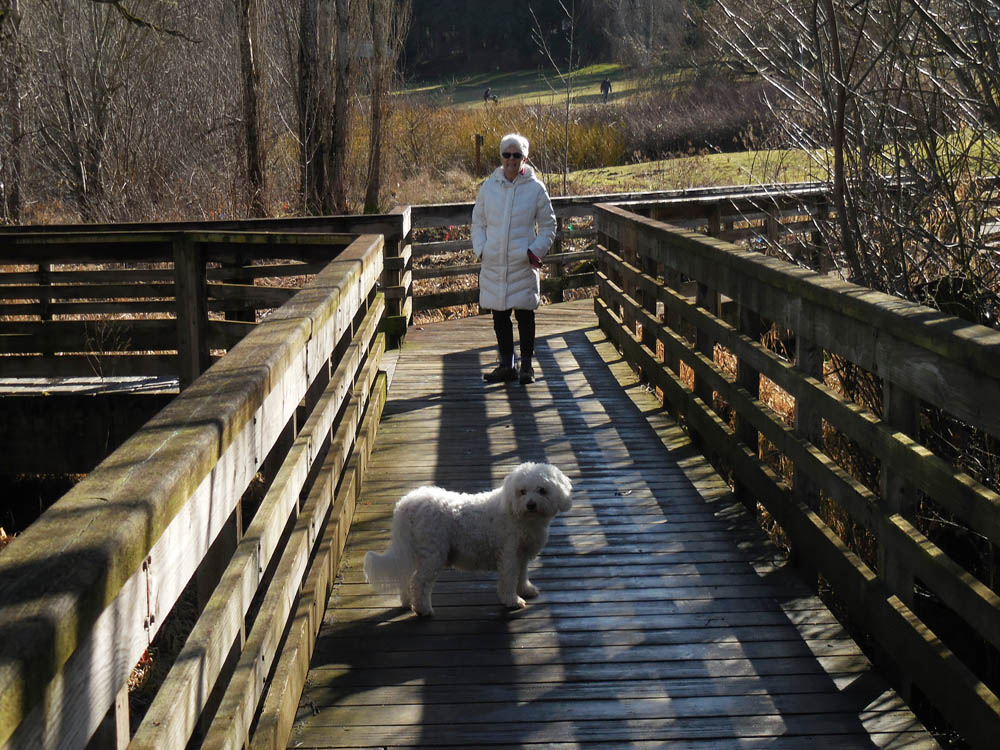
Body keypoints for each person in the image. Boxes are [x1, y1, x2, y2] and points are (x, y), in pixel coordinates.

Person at [471, 133, 556, 385]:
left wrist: (533, 252)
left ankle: (527, 366)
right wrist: (482, 249)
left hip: (522, 262)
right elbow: (478, 222)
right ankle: (506, 365)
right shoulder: (489, 187)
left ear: (524, 158)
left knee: (525, 314)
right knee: (499, 315)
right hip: (494, 262)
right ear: (500, 157)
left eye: (516, 155)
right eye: (506, 154)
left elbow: (549, 226)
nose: (511, 159)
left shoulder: (536, 189)